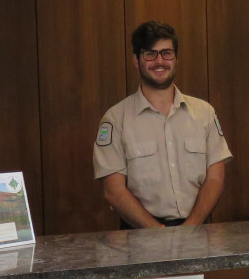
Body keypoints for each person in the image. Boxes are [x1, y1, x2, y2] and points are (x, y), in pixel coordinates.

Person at [94, 21, 231, 228]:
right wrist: (158, 234)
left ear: (176, 59)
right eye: (150, 54)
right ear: (136, 60)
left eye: (167, 53)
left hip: (198, 234)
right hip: (140, 241)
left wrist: (190, 228)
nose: (160, 61)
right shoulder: (115, 119)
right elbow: (113, 191)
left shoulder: (205, 113)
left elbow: (215, 178)